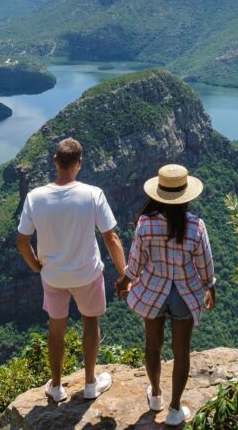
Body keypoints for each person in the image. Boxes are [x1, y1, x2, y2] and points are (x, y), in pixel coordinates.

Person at [17, 137, 128, 403]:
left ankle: (56, 387)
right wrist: (125, 274)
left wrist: (35, 265)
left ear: (56, 161)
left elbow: (22, 241)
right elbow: (111, 238)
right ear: (79, 163)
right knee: (90, 322)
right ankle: (90, 384)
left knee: (56, 329)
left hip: (53, 276)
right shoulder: (93, 194)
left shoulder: (34, 197)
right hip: (87, 274)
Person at [115, 164, 216, 426]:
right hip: (185, 294)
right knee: (181, 351)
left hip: (153, 292)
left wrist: (124, 281)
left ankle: (156, 395)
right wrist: (210, 288)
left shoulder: (145, 223)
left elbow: (135, 264)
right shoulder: (196, 226)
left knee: (153, 345)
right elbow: (205, 265)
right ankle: (174, 409)